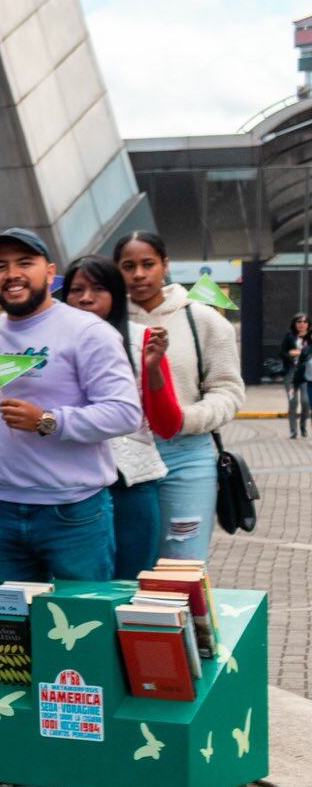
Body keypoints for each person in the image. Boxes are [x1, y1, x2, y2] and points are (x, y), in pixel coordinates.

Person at [0, 229, 142, 583]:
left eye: (25, 263)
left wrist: (47, 421)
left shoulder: (88, 332)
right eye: (0, 266)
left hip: (75, 513)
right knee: (7, 635)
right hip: (0, 512)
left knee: (79, 630)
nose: (12, 274)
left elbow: (124, 412)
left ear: (50, 271)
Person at [116, 233, 246, 563]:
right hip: (119, 458)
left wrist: (183, 419)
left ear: (165, 266)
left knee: (181, 563)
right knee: (127, 564)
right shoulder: (103, 323)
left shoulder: (203, 320)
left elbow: (228, 391)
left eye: (148, 264)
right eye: (128, 266)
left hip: (185, 458)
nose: (139, 274)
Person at [63, 255, 180, 580]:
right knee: (80, 591)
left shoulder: (144, 339)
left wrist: (152, 368)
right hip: (69, 487)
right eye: (76, 289)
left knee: (131, 585)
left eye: (98, 288)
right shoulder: (47, 342)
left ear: (116, 293)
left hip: (131, 482)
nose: (86, 298)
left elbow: (167, 425)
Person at [284, 313, 312, 438]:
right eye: (299, 322)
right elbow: (282, 352)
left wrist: (299, 352)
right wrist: (290, 354)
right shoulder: (289, 336)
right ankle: (293, 431)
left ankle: (303, 426)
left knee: (306, 402)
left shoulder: (310, 337)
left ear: (308, 324)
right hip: (291, 374)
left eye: (304, 322)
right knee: (292, 402)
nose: (302, 324)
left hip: (306, 375)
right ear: (295, 324)